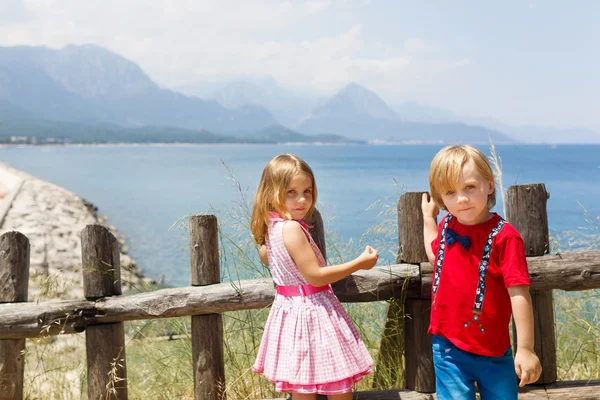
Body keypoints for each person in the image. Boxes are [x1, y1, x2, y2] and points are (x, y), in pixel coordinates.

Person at [250, 153, 378, 399]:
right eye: (291, 192)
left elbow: (266, 257)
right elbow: (316, 277)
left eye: (307, 191)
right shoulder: (291, 228)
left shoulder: (271, 229)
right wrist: (359, 263)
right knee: (338, 386)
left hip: (289, 314)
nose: (302, 200)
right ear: (271, 193)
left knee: (302, 388)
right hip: (314, 314)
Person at [421, 145, 542, 399]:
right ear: (442, 199)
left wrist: (526, 348)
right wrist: (428, 220)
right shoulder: (447, 226)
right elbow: (436, 256)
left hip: (494, 350)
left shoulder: (505, 237)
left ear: (489, 186)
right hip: (447, 347)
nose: (461, 199)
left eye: (469, 188)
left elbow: (518, 293)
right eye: (451, 192)